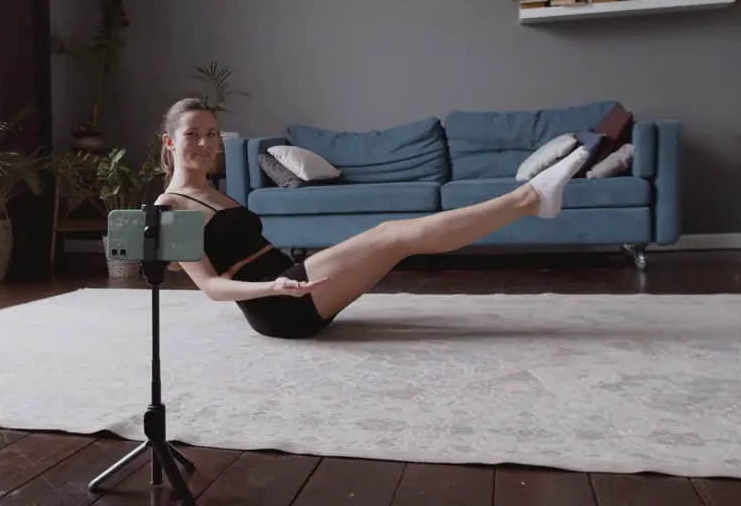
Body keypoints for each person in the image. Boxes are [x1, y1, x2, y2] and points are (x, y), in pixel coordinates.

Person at [154, 98, 591, 339]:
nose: (205, 143)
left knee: (398, 239)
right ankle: (528, 198)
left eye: (211, 133)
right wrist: (273, 286)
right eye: (192, 134)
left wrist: (283, 278)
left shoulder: (212, 191)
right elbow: (210, 287)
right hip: (279, 307)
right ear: (170, 143)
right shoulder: (169, 208)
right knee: (391, 234)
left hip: (293, 283)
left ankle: (530, 201)